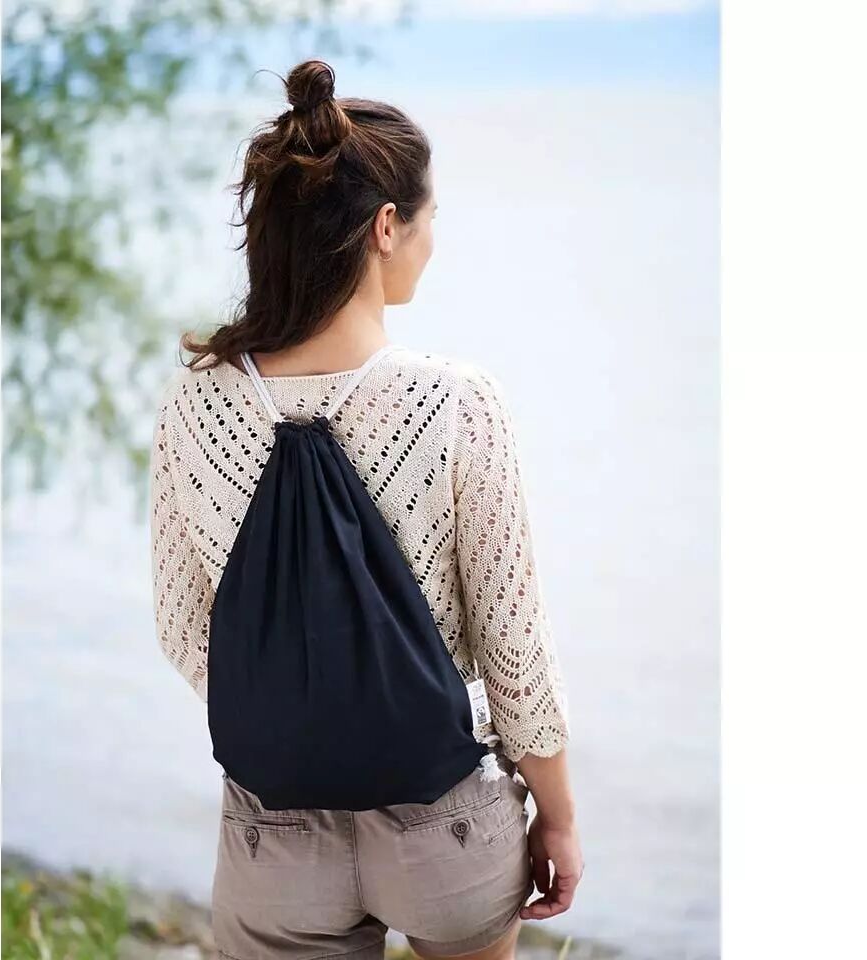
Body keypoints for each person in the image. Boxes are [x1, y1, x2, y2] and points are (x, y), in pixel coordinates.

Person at [149, 58, 583, 960]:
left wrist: (301, 716)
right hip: (445, 825)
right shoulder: (457, 403)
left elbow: (184, 626)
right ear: (387, 226)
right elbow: (515, 653)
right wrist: (558, 816)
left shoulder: (195, 403)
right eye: (430, 218)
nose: (432, 240)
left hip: (273, 835)